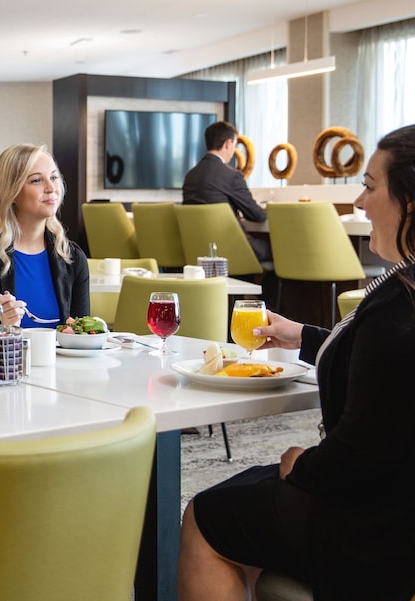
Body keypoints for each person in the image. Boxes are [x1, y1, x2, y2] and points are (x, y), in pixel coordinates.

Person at [177, 124, 415, 601]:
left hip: (377, 531)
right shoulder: (399, 299)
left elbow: (359, 453)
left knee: (205, 513)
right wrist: (303, 335)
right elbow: (381, 371)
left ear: (409, 204)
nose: (359, 202)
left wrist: (302, 463)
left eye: (370, 187)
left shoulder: (397, 310)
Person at [0, 143, 89, 328]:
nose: (51, 188)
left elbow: (82, 335)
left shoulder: (72, 258)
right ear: (11, 192)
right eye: (36, 180)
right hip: (0, 350)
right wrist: (3, 329)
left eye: (54, 177)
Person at [182, 121, 270, 262]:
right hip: (231, 248)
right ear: (228, 144)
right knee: (281, 249)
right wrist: (268, 209)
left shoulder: (190, 176)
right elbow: (256, 215)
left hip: (199, 249)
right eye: (234, 146)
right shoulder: (231, 176)